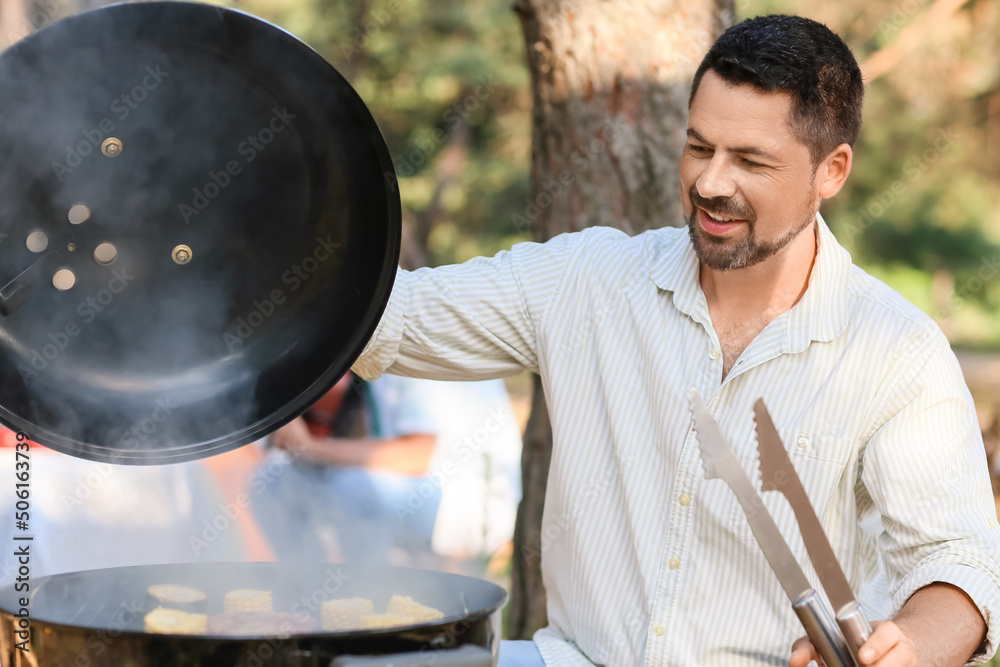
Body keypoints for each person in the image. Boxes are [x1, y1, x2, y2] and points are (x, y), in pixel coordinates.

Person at [349, 15, 1000, 667]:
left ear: (830, 171)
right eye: (699, 147)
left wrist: (911, 645)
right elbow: (392, 315)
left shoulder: (897, 351)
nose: (711, 183)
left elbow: (961, 565)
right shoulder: (586, 280)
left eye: (749, 160)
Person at [252, 372, 522, 569]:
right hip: (424, 491)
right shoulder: (376, 360)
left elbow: (416, 456)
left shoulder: (422, 338)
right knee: (275, 478)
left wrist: (307, 447)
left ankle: (373, 605)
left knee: (353, 489)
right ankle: (311, 596)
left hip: (467, 502)